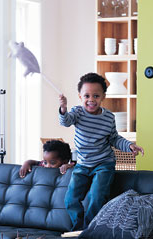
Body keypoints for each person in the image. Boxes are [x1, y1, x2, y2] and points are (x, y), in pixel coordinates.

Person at [59, 72, 144, 230]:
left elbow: (114, 138)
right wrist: (63, 108)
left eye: (96, 96)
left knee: (97, 196)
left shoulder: (109, 117)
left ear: (103, 96)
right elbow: (65, 122)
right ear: (80, 97)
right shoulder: (77, 113)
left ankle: (90, 229)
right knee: (70, 199)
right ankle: (78, 229)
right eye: (87, 96)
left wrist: (130, 145)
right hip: (83, 164)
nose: (91, 100)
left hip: (104, 163)